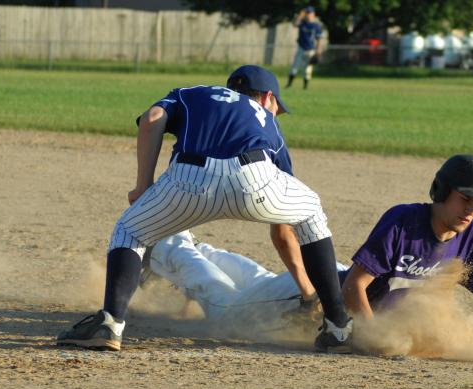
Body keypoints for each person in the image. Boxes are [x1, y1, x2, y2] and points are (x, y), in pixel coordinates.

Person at [56, 65, 352, 353]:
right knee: (310, 211)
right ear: (267, 98)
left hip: (189, 179)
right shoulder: (266, 120)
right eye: (278, 106)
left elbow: (152, 118)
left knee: (130, 230)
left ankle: (110, 323)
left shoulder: (192, 93)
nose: (276, 113)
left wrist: (143, 185)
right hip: (256, 177)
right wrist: (307, 291)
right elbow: (284, 232)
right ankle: (338, 326)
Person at [342, 154, 473, 328]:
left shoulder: (470, 237)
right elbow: (353, 285)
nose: (470, 210)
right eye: (465, 198)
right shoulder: (402, 222)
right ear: (442, 190)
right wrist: (373, 334)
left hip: (402, 328)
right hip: (350, 310)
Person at [143, 230, 348, 325]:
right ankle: (167, 246)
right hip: (319, 292)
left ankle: (193, 246)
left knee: (260, 286)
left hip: (328, 275)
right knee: (225, 311)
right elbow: (357, 287)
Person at [286, 6, 323, 90]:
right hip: (301, 48)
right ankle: (289, 85)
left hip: (311, 50)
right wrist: (300, 14)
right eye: (307, 13)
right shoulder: (302, 23)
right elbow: (294, 24)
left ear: (313, 14)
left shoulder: (316, 26)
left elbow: (319, 39)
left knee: (307, 70)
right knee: (294, 67)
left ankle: (305, 87)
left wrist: (319, 51)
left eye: (309, 13)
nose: (308, 15)